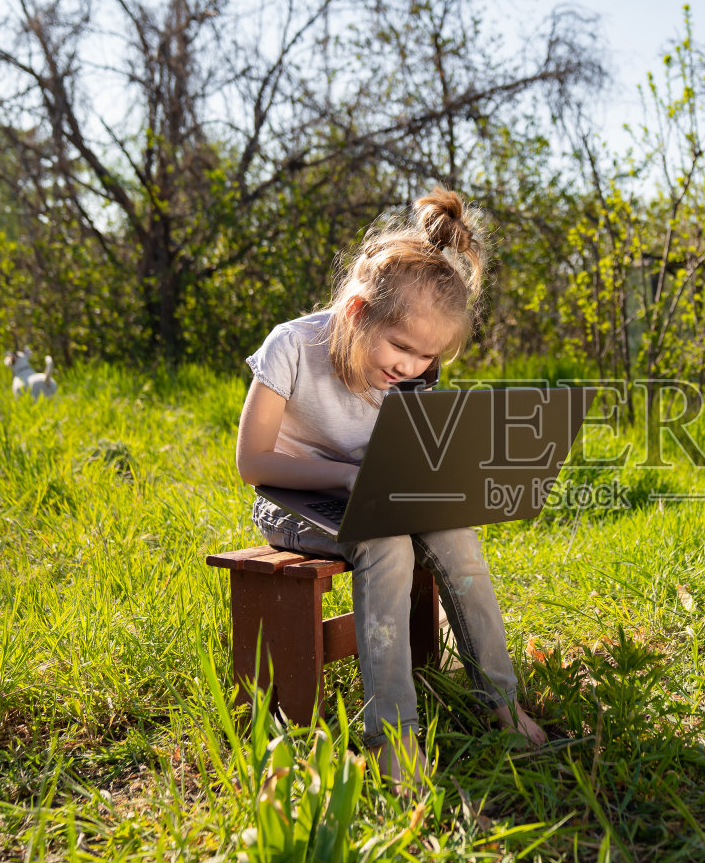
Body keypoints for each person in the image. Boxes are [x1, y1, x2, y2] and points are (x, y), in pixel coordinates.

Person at [233, 187, 546, 786]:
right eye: (401, 348)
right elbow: (254, 461)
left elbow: (414, 451)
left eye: (426, 358)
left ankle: (501, 700)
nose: (409, 367)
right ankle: (391, 734)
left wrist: (457, 478)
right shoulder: (292, 346)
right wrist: (348, 476)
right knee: (385, 545)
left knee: (457, 535)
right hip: (296, 502)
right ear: (356, 312)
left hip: (379, 494)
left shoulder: (410, 375)